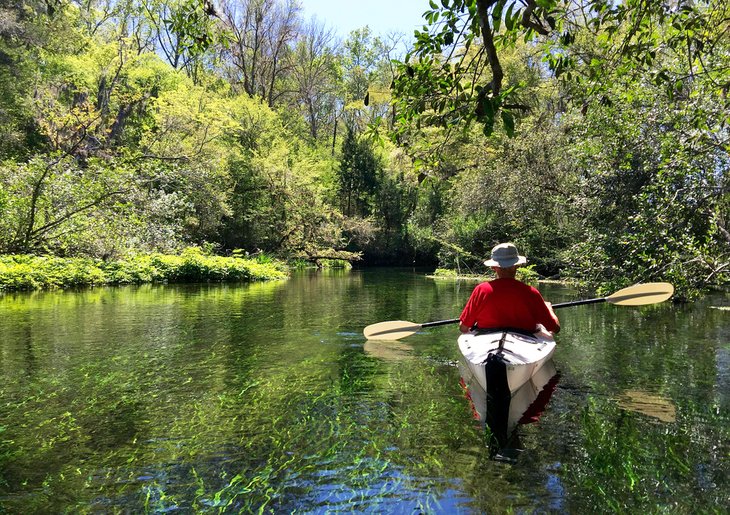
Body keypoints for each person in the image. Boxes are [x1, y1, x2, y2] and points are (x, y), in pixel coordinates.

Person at [459, 243, 560, 335]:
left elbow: (463, 328)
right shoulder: (531, 292)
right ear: (517, 265)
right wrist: (549, 309)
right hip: (526, 339)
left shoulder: (481, 290)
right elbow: (555, 328)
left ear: (493, 267)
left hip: (487, 337)